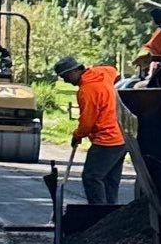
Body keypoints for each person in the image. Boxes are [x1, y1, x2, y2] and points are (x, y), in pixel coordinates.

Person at [54, 56, 126, 209]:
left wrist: (77, 135)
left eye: (65, 76)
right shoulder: (102, 73)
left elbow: (87, 123)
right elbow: (114, 71)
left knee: (92, 177)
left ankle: (97, 215)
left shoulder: (86, 91)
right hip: (122, 137)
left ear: (75, 71)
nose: (65, 81)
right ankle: (110, 215)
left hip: (107, 140)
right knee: (110, 180)